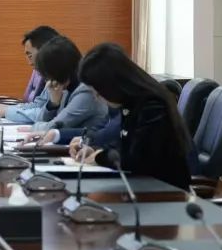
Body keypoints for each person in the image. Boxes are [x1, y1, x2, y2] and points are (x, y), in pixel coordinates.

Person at [75, 43, 192, 190]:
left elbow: (137, 160)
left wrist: (101, 156)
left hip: (166, 193)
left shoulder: (152, 106)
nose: (96, 97)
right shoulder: (131, 103)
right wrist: (94, 150)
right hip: (142, 187)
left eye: (97, 91)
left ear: (111, 85)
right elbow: (124, 144)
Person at [21, 36, 108, 146]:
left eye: (48, 74)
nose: (48, 80)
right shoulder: (67, 86)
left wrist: (33, 128)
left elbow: (54, 127)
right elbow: (43, 121)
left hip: (86, 149)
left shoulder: (87, 91)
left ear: (58, 70)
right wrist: (53, 103)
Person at [0, 26, 60, 121]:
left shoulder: (63, 78)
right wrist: (1, 108)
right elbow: (38, 105)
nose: (29, 62)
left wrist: (5, 111)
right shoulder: (52, 76)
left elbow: (43, 115)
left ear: (45, 52)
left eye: (30, 55)